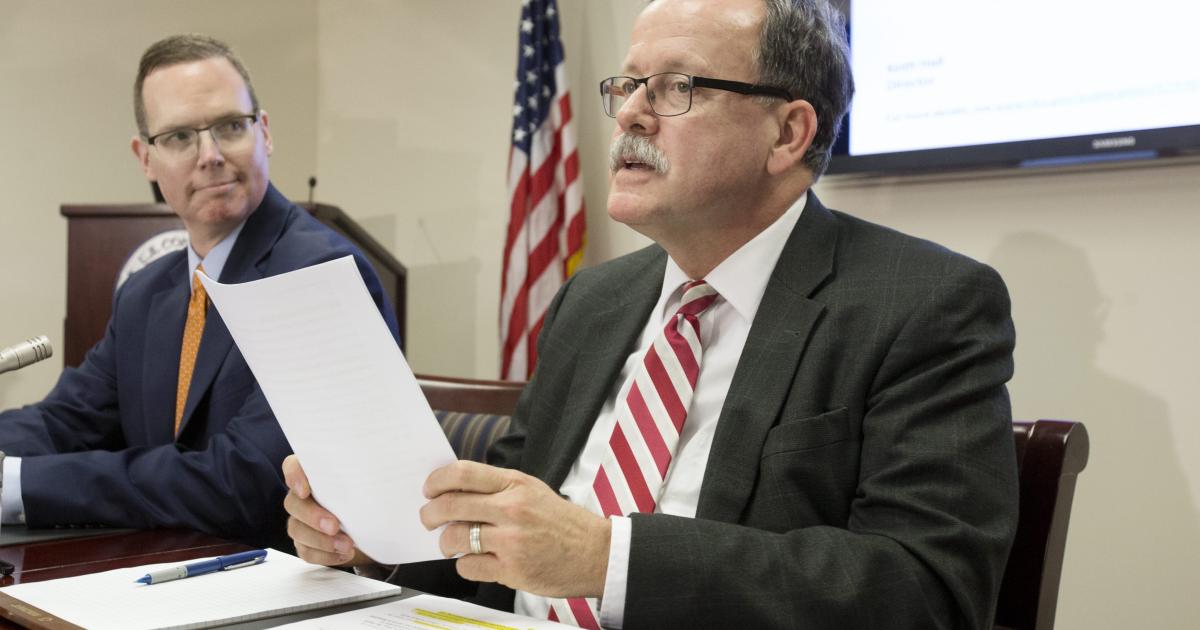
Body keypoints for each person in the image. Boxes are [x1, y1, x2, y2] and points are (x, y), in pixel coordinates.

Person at [284, 0, 1018, 627]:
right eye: (629, 84)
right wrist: (380, 542)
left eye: (675, 87)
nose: (631, 113)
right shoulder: (592, 302)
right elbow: (500, 540)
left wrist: (608, 559)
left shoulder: (923, 304)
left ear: (788, 133)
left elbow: (927, 590)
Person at [0, 34, 398, 548]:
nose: (210, 155)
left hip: (284, 579)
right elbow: (64, 422)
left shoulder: (319, 276)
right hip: (150, 570)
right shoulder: (146, 292)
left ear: (264, 133)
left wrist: (15, 484)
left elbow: (245, 480)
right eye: (180, 136)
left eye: (230, 127)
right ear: (145, 158)